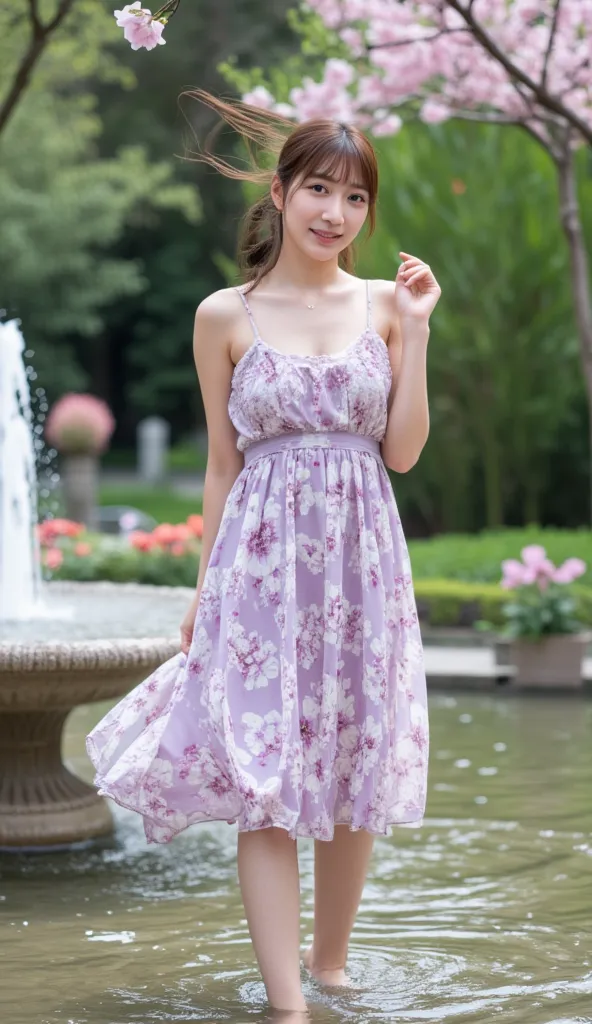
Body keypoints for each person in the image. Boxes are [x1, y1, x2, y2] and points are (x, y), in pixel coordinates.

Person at [86, 90, 440, 1017]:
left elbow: (401, 452)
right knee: (267, 777)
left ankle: (332, 970)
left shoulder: (389, 307)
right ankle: (286, 1007)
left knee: (355, 768)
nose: (336, 212)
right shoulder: (224, 316)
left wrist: (424, 328)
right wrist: (206, 589)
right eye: (320, 189)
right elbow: (219, 465)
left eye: (356, 197)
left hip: (362, 565)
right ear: (281, 194)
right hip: (261, 572)